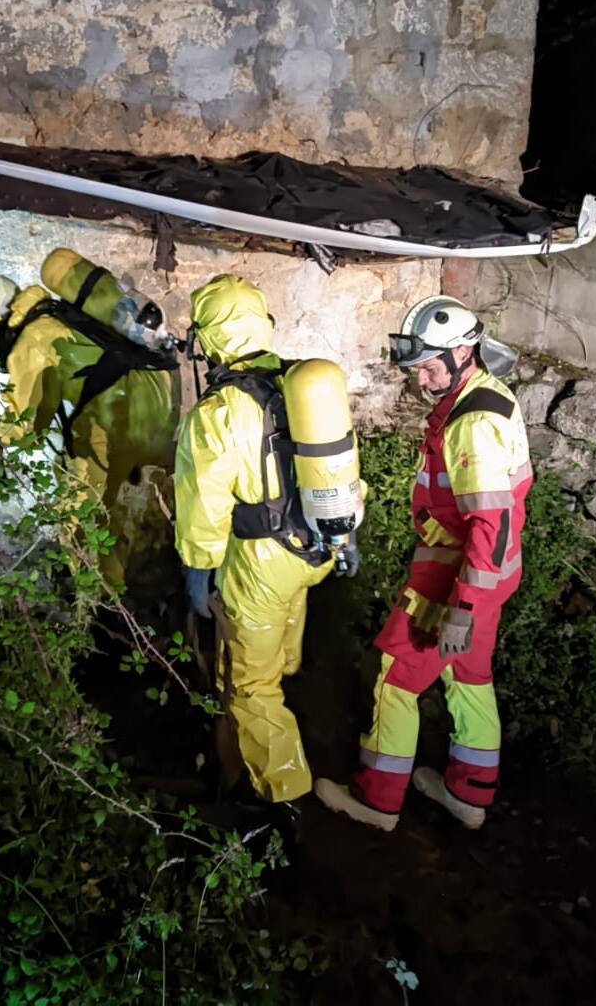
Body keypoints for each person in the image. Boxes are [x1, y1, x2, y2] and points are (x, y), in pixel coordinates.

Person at [316, 295, 531, 832]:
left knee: (396, 679)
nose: (421, 380)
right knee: (469, 676)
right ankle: (469, 793)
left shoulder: (472, 424)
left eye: (430, 367)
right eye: (416, 370)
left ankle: (376, 799)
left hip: (455, 577)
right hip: (489, 576)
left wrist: (461, 607)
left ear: (463, 351)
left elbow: (490, 522)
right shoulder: (486, 394)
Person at [175, 274, 359, 806]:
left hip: (261, 565)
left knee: (249, 686)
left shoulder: (218, 412)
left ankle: (287, 798)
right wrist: (347, 537)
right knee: (279, 646)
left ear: (207, 340)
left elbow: (203, 506)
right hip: (314, 549)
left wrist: (196, 572)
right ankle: (285, 689)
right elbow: (342, 461)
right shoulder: (299, 385)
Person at [0, 269, 179, 585]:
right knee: (117, 510)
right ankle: (145, 581)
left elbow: (25, 422)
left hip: (111, 421)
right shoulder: (57, 314)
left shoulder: (32, 340)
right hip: (150, 408)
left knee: (79, 518)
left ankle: (98, 603)